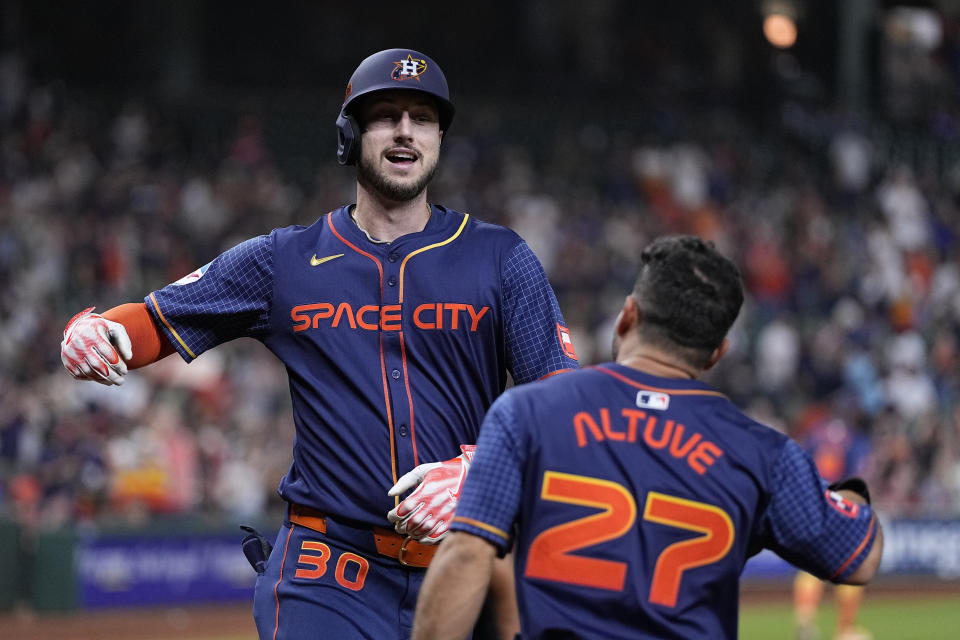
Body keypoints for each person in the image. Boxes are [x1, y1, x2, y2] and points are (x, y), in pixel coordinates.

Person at [59, 47, 578, 640]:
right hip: (329, 573)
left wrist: (482, 471)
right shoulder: (286, 259)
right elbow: (152, 321)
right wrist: (95, 329)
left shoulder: (501, 257)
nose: (406, 131)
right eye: (386, 115)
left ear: (440, 135)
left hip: (461, 570)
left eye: (424, 117)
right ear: (350, 134)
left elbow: (561, 403)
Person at [411, 235, 883, 640]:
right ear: (717, 352)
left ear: (627, 316)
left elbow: (467, 554)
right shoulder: (761, 453)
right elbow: (858, 559)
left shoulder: (527, 412)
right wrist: (849, 496)